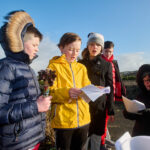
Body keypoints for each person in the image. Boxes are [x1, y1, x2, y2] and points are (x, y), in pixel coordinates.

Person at [0, 11, 51, 150]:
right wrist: (36, 106)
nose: (37, 49)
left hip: (32, 139)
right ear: (20, 42)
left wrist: (41, 99)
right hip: (17, 143)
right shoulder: (6, 67)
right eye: (34, 45)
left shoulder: (28, 69)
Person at [47, 32, 91, 150]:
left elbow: (87, 88)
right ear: (61, 48)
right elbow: (49, 93)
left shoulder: (82, 68)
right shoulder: (53, 67)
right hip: (64, 123)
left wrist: (95, 90)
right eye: (71, 49)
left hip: (84, 120)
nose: (74, 54)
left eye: (77, 50)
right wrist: (67, 92)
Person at [79, 32, 114, 150]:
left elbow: (110, 88)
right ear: (87, 46)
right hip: (83, 105)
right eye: (92, 44)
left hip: (100, 106)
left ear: (101, 48)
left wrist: (111, 110)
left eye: (98, 45)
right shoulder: (80, 64)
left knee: (97, 137)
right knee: (83, 136)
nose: (95, 47)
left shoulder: (107, 65)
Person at [101, 41, 126, 149]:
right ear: (102, 50)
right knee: (102, 120)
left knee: (105, 119)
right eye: (106, 51)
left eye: (110, 51)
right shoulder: (100, 62)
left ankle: (104, 140)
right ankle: (102, 143)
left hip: (112, 95)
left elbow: (118, 79)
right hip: (102, 96)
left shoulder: (114, 62)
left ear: (113, 51)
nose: (108, 54)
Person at [123, 64, 150, 136]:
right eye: (144, 80)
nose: (147, 83)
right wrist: (128, 112)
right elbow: (137, 116)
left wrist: (146, 112)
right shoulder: (141, 95)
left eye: (149, 79)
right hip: (139, 134)